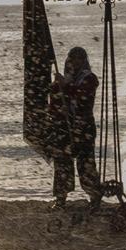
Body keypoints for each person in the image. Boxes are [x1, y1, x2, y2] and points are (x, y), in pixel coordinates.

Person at [48, 46, 102, 209]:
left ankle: (94, 196)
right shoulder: (64, 80)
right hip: (65, 127)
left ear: (84, 61)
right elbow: (54, 105)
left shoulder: (89, 78)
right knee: (62, 163)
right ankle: (60, 198)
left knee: (86, 165)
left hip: (83, 127)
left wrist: (65, 86)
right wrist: (56, 88)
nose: (76, 62)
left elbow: (83, 98)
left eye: (79, 59)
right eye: (73, 59)